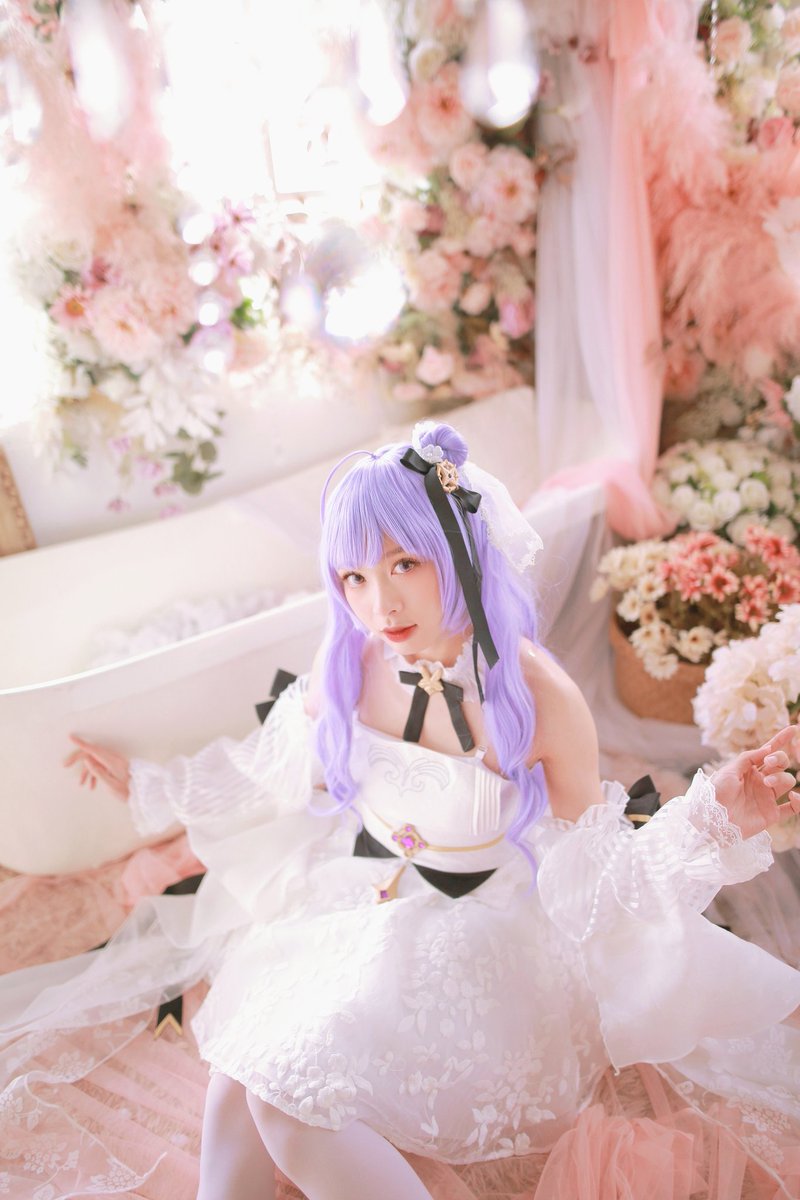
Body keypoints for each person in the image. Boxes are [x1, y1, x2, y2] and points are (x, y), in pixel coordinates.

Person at [8, 420, 800, 1200]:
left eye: (404, 564)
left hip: (481, 935)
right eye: (353, 576)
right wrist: (150, 784)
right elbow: (267, 766)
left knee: (289, 1112)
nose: (378, 601)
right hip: (363, 895)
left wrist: (713, 817)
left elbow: (599, 884)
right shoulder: (353, 660)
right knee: (235, 1081)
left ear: (459, 552)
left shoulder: (539, 697)